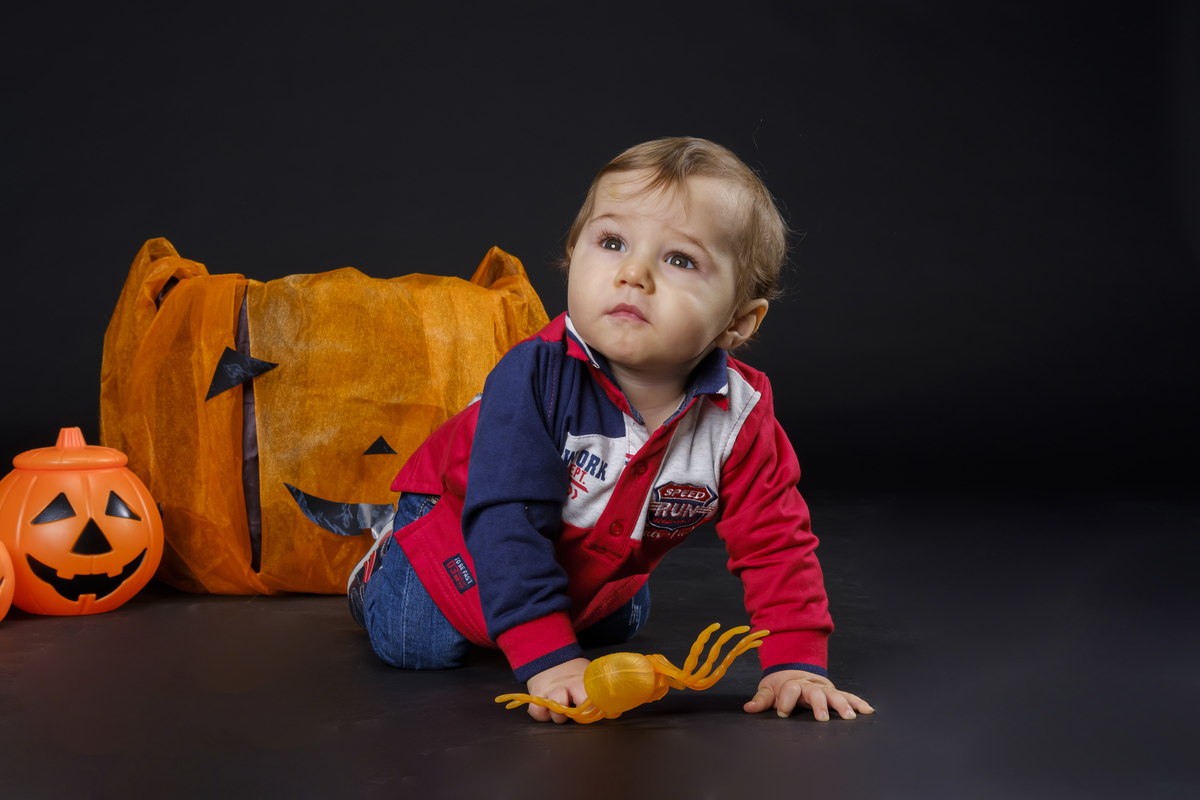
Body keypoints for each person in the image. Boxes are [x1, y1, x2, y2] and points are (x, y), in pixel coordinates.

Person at [349, 137, 873, 723]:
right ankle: (385, 564)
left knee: (619, 624)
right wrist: (547, 658)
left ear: (739, 322)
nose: (633, 274)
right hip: (464, 523)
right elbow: (507, 521)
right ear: (574, 256)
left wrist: (796, 661)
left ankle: (578, 598)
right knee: (418, 643)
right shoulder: (533, 379)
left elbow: (775, 539)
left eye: (680, 259)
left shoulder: (739, 416)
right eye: (612, 242)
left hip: (597, 553)